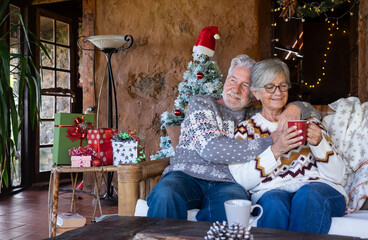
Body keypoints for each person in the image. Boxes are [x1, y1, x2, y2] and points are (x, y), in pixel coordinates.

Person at [147, 54, 320, 222]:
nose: (236, 89)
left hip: (227, 183)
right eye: (232, 80)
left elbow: (313, 111)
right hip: (185, 175)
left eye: (244, 85)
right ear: (225, 81)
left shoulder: (253, 116)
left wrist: (295, 108)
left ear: (254, 93)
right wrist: (271, 141)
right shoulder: (202, 104)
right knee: (165, 194)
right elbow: (211, 149)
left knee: (231, 206)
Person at [229, 58, 347, 233]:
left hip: (317, 189)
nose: (278, 92)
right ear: (256, 93)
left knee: (307, 196)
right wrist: (276, 150)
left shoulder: (309, 121)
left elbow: (338, 176)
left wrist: (320, 144)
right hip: (271, 191)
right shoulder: (245, 130)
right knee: (273, 203)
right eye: (269, 86)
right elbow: (242, 181)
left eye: (282, 85)